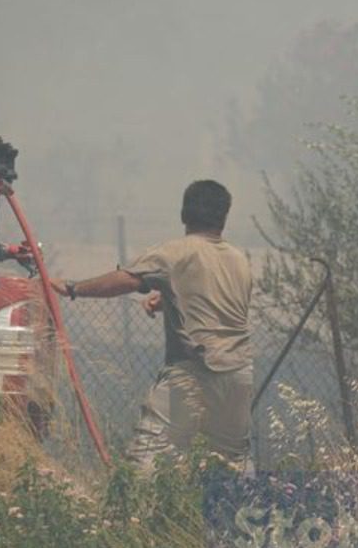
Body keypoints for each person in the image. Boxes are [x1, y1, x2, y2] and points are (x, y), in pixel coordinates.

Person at [51, 180, 253, 474]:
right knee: (232, 465)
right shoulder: (239, 260)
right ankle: (243, 517)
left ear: (184, 214)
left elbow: (126, 280)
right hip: (239, 375)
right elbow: (214, 302)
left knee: (147, 458)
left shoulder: (176, 252)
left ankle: (137, 517)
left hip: (195, 370)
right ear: (224, 216)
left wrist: (72, 288)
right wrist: (165, 300)